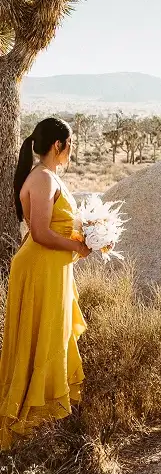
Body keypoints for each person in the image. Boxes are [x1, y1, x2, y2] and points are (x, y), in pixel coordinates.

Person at [0, 117, 92, 449]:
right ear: (59, 145)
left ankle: (45, 420)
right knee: (41, 337)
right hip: (39, 270)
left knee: (52, 336)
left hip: (54, 271)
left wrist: (88, 240)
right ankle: (26, 422)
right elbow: (40, 233)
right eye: (71, 144)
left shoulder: (50, 177)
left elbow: (58, 227)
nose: (72, 150)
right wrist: (78, 247)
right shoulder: (41, 179)